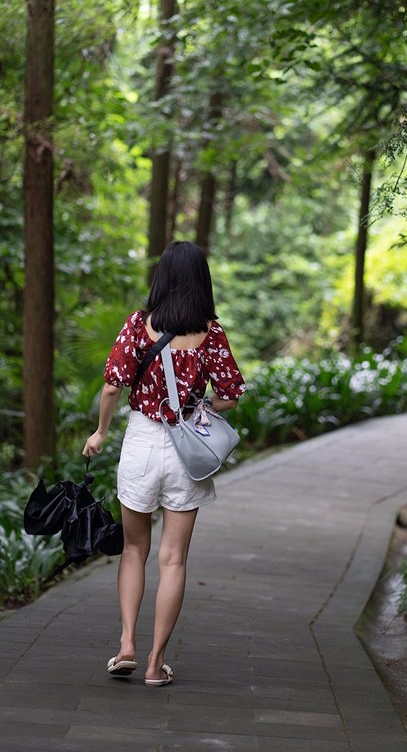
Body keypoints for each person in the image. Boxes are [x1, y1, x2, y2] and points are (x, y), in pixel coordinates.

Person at [82, 241, 245, 686]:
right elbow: (230, 395)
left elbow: (113, 386)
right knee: (173, 560)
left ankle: (127, 645)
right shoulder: (211, 333)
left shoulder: (139, 324)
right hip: (187, 451)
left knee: (135, 549)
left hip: (141, 443)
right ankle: (155, 664)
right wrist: (199, 406)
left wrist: (100, 432)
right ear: (201, 281)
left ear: (163, 277)